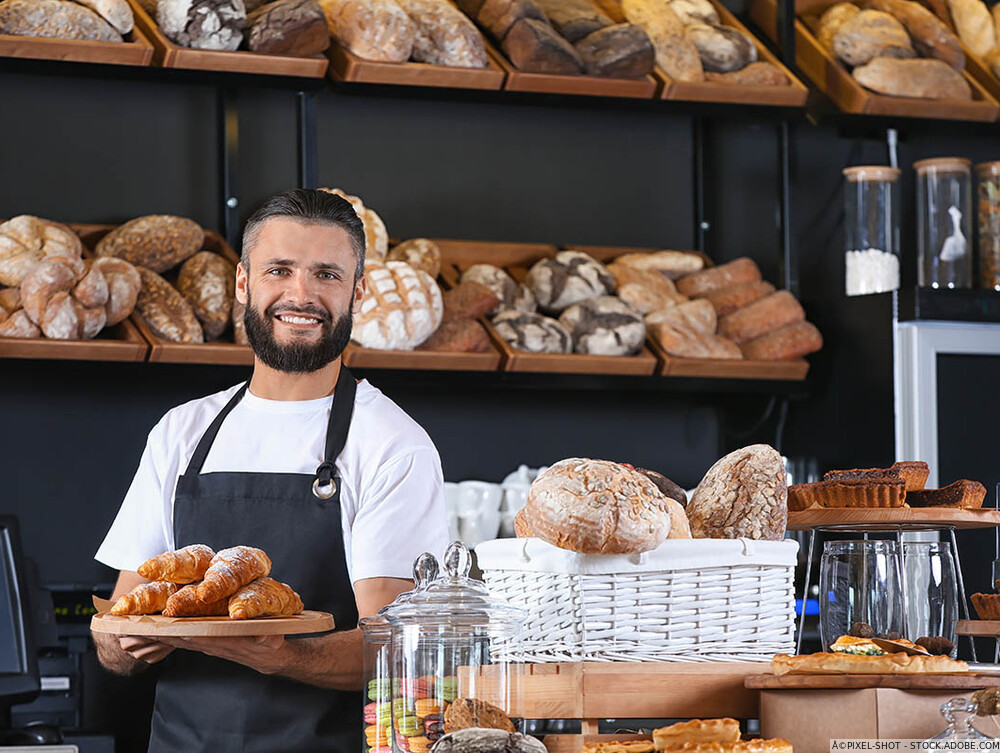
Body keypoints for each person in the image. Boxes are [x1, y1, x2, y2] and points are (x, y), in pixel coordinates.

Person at [92, 188, 449, 752]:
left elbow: (396, 649)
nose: (300, 295)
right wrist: (126, 639)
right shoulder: (182, 433)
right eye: (279, 270)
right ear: (244, 282)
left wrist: (279, 655)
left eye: (326, 274)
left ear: (357, 291)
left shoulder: (393, 444)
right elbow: (117, 634)